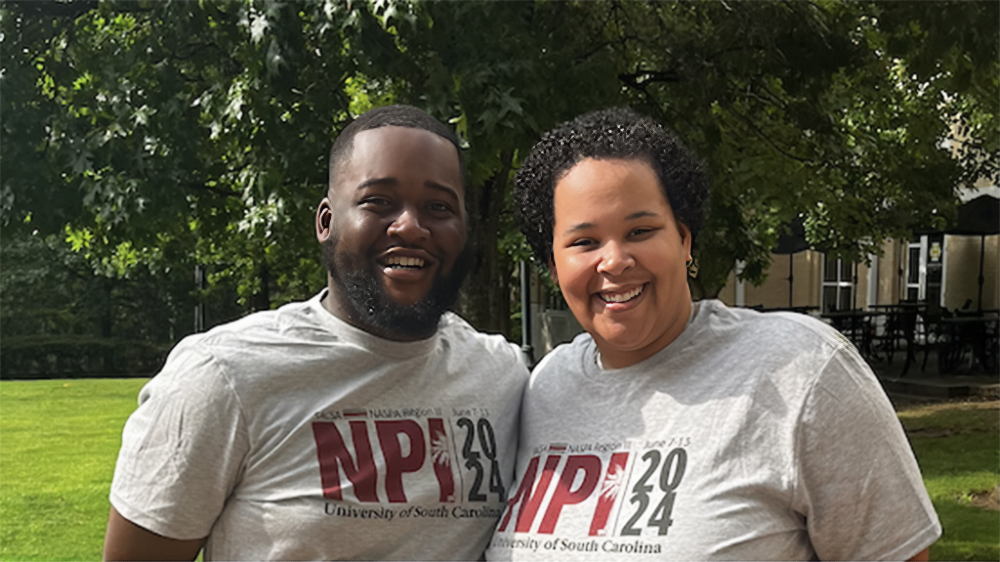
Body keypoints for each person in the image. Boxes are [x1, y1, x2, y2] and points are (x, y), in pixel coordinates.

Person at [486, 107, 940, 561]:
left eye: (640, 230)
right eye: (584, 242)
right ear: (553, 266)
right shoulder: (547, 387)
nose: (615, 260)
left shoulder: (802, 369)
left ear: (684, 241)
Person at [104, 105, 529, 561]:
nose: (409, 225)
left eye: (438, 207)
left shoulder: (503, 375)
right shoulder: (223, 376)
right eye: (378, 201)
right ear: (326, 222)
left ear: (464, 228)